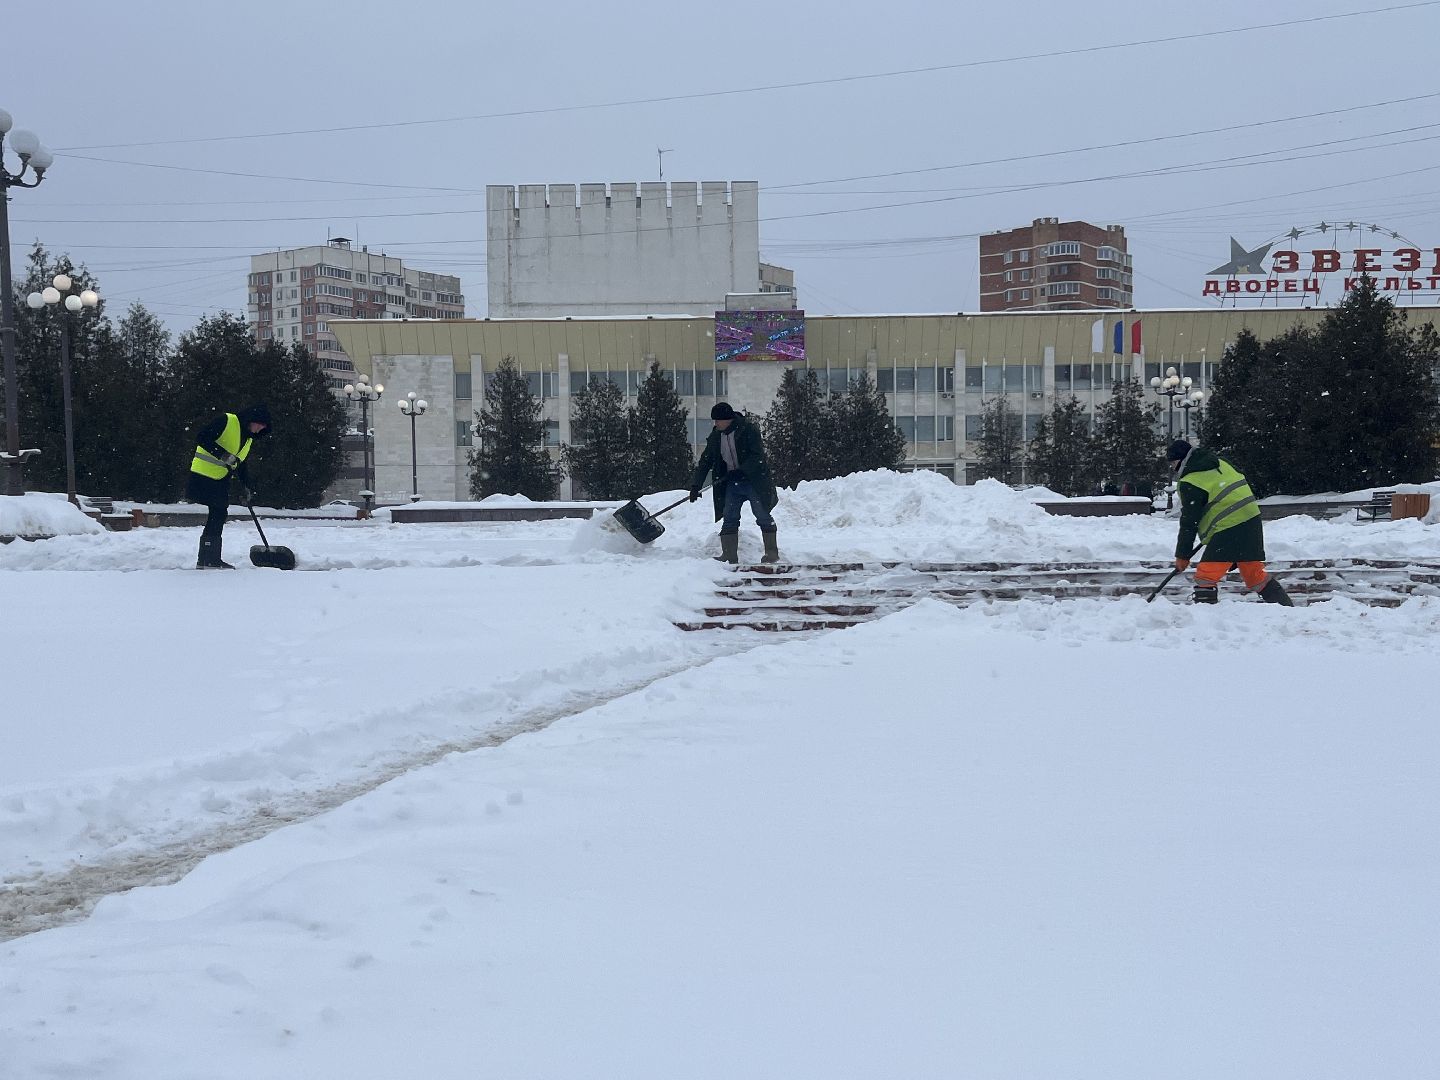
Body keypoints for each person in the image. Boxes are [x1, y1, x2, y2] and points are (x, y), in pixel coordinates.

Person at [1167, 439, 1292, 606]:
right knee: (1254, 575)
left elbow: (1189, 521)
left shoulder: (1191, 481)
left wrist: (1182, 555)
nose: (1172, 467)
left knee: (1206, 575)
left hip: (1230, 526)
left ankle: (1206, 617)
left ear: (1181, 460)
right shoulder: (1221, 462)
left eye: (1173, 462)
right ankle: (1287, 610)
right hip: (1252, 520)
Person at [689, 402, 779, 564]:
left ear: (728, 419)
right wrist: (696, 485)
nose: (715, 424)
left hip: (753, 481)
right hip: (732, 482)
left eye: (717, 420)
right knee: (729, 516)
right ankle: (729, 556)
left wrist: (743, 470)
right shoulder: (717, 436)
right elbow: (706, 461)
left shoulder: (748, 430)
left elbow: (757, 456)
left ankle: (771, 554)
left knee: (762, 514)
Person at [187, 403, 271, 569]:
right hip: (204, 474)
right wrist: (223, 455)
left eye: (263, 428)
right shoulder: (228, 421)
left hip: (220, 478)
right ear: (251, 420)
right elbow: (202, 437)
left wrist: (247, 486)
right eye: (259, 425)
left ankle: (206, 558)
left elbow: (240, 463)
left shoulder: (248, 439)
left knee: (218, 513)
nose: (259, 430)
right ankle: (209, 559)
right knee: (218, 512)